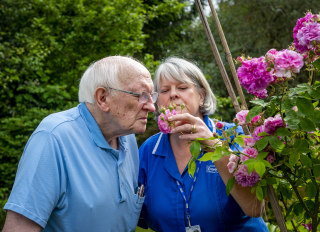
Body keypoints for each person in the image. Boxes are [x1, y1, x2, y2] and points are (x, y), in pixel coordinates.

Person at [3, 56, 158, 232]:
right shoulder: (53, 138)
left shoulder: (127, 138)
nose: (152, 107)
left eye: (151, 96)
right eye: (141, 96)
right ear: (103, 98)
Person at [138, 57, 268, 232]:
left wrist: (214, 145)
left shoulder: (234, 136)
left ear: (201, 96)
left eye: (182, 87)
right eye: (164, 90)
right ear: (157, 102)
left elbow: (254, 208)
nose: (173, 94)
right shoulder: (148, 151)